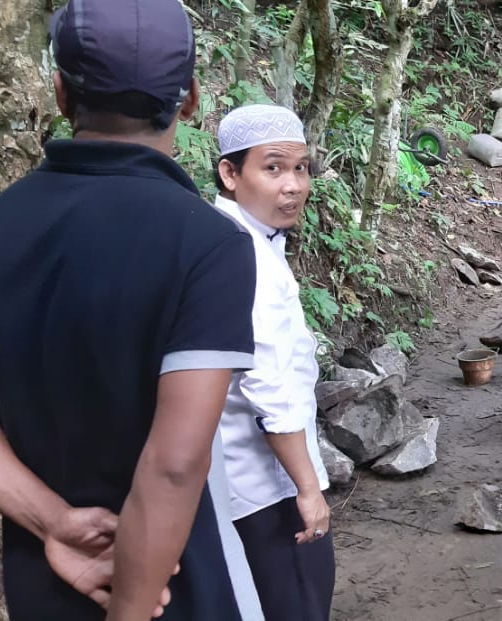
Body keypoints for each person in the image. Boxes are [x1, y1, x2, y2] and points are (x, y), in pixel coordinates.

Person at [0, 1, 264, 620]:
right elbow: (174, 465)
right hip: (178, 592)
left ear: (60, 93)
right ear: (189, 98)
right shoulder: (207, 244)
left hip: (48, 583)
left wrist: (53, 521)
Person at [213, 104, 335, 621]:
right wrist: (306, 487)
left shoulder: (238, 239)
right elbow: (266, 382)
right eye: (273, 168)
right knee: (297, 602)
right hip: (268, 487)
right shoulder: (245, 255)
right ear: (230, 173)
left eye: (301, 168)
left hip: (238, 481)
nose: (293, 185)